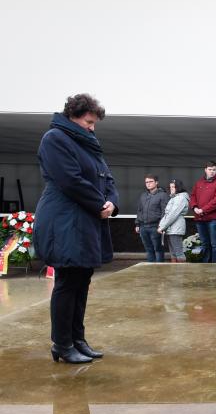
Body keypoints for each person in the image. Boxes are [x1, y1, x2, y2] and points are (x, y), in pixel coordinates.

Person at [34, 93, 119, 364]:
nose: (92, 127)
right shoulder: (55, 139)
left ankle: (77, 339)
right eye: (89, 121)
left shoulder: (88, 145)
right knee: (67, 282)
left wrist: (112, 204)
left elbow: (108, 179)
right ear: (73, 115)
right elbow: (70, 180)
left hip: (85, 220)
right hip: (65, 221)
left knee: (81, 281)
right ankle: (62, 343)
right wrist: (99, 204)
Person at [189, 161, 216, 263]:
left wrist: (203, 209)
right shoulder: (199, 183)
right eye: (210, 169)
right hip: (200, 218)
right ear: (205, 170)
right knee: (205, 243)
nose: (212, 172)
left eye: (214, 170)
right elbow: (192, 196)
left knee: (215, 244)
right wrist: (195, 207)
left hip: (213, 219)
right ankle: (206, 264)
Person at [135, 174, 168, 262]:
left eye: (150, 182)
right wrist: (137, 224)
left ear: (156, 183)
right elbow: (139, 210)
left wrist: (161, 226)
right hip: (143, 227)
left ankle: (159, 271)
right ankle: (150, 271)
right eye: (146, 182)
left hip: (156, 227)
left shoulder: (163, 195)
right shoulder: (143, 195)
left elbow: (164, 212)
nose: (148, 184)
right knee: (148, 249)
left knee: (158, 250)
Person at [158, 179, 189, 262]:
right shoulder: (174, 198)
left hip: (176, 228)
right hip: (171, 228)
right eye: (170, 187)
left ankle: (181, 273)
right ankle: (175, 273)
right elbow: (167, 214)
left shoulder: (180, 198)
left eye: (173, 187)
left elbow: (172, 214)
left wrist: (162, 226)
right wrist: (162, 226)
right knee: (173, 253)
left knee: (178, 252)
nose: (171, 188)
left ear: (178, 187)